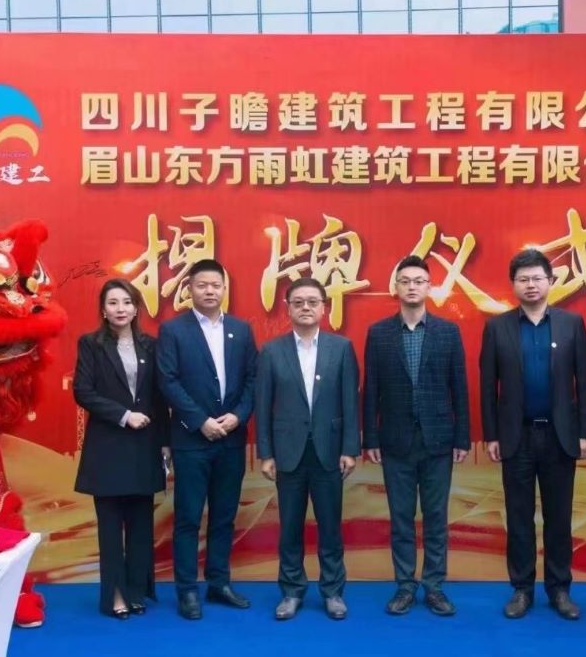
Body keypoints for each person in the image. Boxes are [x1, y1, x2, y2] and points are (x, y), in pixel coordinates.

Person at [479, 249, 586, 621]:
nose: (531, 285)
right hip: (517, 437)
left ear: (550, 281)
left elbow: (585, 382)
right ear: (513, 285)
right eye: (523, 279)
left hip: (560, 436)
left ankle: (559, 589)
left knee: (559, 517)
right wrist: (492, 435)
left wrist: (585, 432)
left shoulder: (571, 324)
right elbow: (487, 386)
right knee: (519, 517)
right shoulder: (497, 327)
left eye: (537, 278)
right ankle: (522, 589)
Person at [362, 255, 470, 616]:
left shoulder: (448, 332)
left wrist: (462, 438)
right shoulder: (379, 333)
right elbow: (371, 389)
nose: (411, 286)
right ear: (396, 287)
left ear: (429, 287)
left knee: (436, 517)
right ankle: (405, 586)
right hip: (395, 442)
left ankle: (434, 586)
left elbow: (459, 388)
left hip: (438, 440)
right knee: (401, 518)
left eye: (419, 281)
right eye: (405, 281)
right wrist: (370, 439)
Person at [157, 259, 258, 620]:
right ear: (190, 289)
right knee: (187, 517)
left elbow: (253, 379)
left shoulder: (241, 330)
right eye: (202, 285)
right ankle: (187, 590)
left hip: (231, 439)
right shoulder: (173, 330)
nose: (210, 291)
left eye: (216, 285)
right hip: (192, 440)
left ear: (224, 289)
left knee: (224, 516)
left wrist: (238, 416)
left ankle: (219, 582)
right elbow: (167, 381)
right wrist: (200, 421)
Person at [255, 277, 360, 621]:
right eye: (298, 302)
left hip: (329, 451)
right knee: (290, 528)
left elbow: (350, 401)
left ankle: (333, 592)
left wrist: (350, 448)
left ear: (323, 308)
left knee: (330, 528)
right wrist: (266, 453)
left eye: (312, 302)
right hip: (288, 453)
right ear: (287, 308)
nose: (305, 308)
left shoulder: (341, 348)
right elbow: (262, 405)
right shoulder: (271, 351)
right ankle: (291, 591)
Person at [74, 278, 168, 620]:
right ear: (103, 309)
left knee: (141, 526)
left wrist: (165, 442)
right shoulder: (91, 344)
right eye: (113, 303)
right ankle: (114, 594)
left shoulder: (151, 346)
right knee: (111, 528)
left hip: (145, 447)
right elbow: (83, 392)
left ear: (136, 307)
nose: (120, 309)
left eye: (127, 302)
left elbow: (159, 398)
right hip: (108, 448)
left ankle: (135, 591)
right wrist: (125, 416)